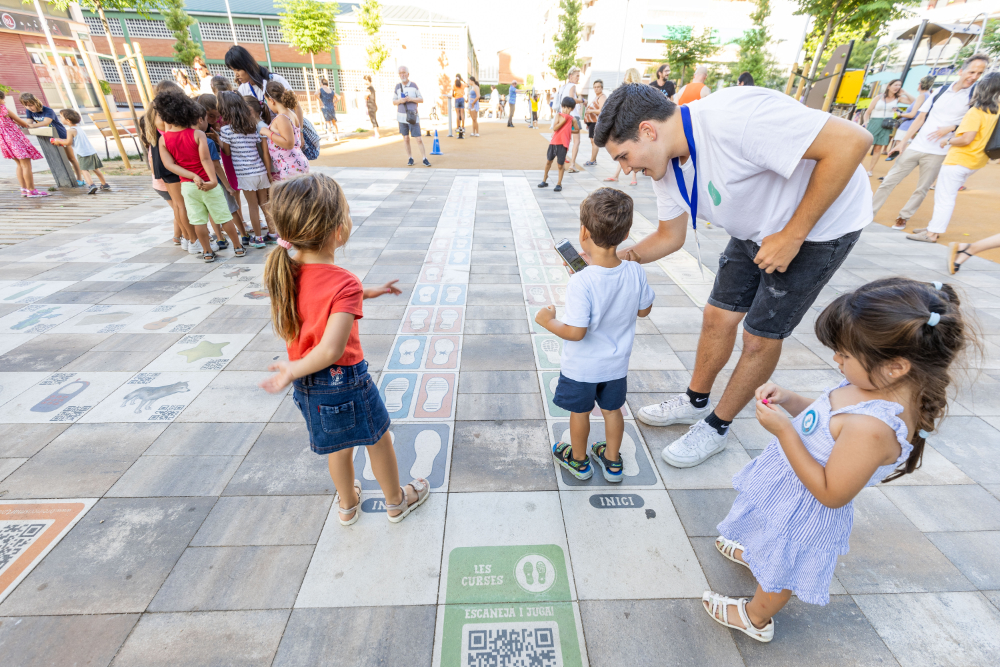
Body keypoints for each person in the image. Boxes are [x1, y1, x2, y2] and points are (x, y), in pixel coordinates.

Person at [594, 83, 873, 468]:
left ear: (647, 130)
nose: (625, 169)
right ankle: (695, 401)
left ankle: (717, 426)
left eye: (623, 156)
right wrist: (611, 258)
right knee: (717, 316)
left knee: (759, 337)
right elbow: (668, 237)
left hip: (817, 229)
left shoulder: (736, 120)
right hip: (755, 228)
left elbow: (853, 141)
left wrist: (793, 234)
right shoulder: (665, 167)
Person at [704, 278, 970, 642]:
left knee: (783, 566)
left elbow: (831, 493)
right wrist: (789, 399)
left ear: (895, 367)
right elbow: (825, 421)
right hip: (792, 490)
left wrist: (785, 433)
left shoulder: (873, 428)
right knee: (770, 536)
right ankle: (758, 554)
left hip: (807, 509)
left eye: (845, 354)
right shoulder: (870, 385)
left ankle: (754, 617)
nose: (836, 359)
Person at [259, 173, 428, 525]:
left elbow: (322, 299)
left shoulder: (285, 271)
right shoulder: (343, 281)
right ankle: (396, 501)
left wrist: (369, 292)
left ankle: (348, 504)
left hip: (308, 387)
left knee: (338, 446)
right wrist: (292, 368)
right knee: (377, 440)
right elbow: (332, 348)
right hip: (346, 382)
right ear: (338, 230)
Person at [537, 188, 655, 482]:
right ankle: (613, 461)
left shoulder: (582, 281)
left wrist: (547, 321)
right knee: (613, 411)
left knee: (581, 414)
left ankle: (579, 461)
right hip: (616, 366)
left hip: (582, 368)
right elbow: (643, 311)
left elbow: (576, 332)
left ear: (583, 233)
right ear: (626, 232)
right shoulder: (635, 271)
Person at [872, 54, 988, 231]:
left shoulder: (976, 97)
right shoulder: (940, 90)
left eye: (979, 73)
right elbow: (920, 118)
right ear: (961, 71)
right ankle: (869, 213)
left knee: (922, 188)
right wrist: (903, 142)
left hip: (940, 151)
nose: (974, 76)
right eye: (972, 71)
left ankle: (903, 217)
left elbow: (974, 124)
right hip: (917, 145)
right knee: (889, 180)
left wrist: (952, 127)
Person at [906, 72, 1000, 244]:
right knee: (946, 196)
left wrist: (947, 140)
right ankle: (933, 227)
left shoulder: (976, 112)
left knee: (944, 197)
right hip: (977, 161)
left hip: (960, 159)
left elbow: (966, 139)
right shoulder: (996, 112)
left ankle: (932, 233)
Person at [155, 91, 246, 262]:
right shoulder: (198, 135)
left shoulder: (163, 140)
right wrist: (211, 180)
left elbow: (169, 165)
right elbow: (206, 159)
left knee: (198, 221)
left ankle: (207, 252)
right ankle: (238, 247)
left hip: (188, 186)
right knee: (224, 216)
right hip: (208, 183)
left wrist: (192, 176)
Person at [219, 91, 273, 248]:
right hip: (260, 171)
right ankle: (273, 233)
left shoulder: (226, 130)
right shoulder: (252, 126)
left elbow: (227, 152)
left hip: (245, 174)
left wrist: (218, 140)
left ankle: (258, 238)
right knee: (264, 203)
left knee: (252, 206)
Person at [144, 81, 191, 247]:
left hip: (161, 159)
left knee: (178, 205)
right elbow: (173, 136)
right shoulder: (165, 115)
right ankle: (192, 239)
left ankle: (187, 238)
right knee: (182, 204)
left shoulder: (152, 111)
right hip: (172, 159)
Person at [199, 93, 245, 237]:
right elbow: (216, 165)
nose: (213, 120)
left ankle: (220, 238)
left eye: (216, 116)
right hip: (215, 179)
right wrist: (227, 185)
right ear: (201, 116)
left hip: (202, 179)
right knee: (229, 208)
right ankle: (241, 238)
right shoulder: (207, 140)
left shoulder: (206, 133)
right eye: (210, 116)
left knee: (213, 209)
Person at [225, 45, 302, 126]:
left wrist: (300, 132)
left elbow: (296, 106)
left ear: (248, 66)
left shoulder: (275, 80)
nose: (236, 74)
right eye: (233, 70)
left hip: (290, 131)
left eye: (238, 69)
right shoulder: (243, 89)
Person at [19, 92, 78, 184]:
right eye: (26, 106)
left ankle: (79, 179)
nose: (29, 108)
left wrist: (31, 125)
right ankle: (65, 180)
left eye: (31, 105)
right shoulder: (29, 111)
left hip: (61, 135)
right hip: (49, 137)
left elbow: (46, 122)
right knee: (57, 159)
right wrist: (28, 125)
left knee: (71, 158)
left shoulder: (48, 110)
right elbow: (29, 122)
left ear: (36, 102)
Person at [0, 89, 46, 197]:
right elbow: (23, 123)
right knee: (26, 165)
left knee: (19, 164)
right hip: (14, 138)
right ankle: (31, 190)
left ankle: (24, 190)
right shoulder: (4, 109)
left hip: (5, 141)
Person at [51, 109, 108, 195]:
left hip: (82, 153)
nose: (60, 118)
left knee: (84, 170)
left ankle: (91, 185)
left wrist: (58, 141)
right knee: (95, 169)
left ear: (68, 120)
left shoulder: (70, 130)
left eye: (61, 117)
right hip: (91, 151)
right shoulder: (78, 128)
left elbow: (68, 143)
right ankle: (104, 184)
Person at [262, 81, 310, 183]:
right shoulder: (290, 113)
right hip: (295, 163)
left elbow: (288, 143)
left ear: (271, 100)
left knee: (292, 197)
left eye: (266, 101)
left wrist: (267, 133)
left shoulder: (282, 117)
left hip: (291, 167)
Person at [862, 79, 911, 176]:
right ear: (889, 86)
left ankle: (870, 170)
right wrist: (866, 122)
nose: (897, 87)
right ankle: (857, 167)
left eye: (899, 85)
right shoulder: (879, 97)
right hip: (874, 122)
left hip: (886, 124)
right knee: (865, 146)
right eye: (895, 85)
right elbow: (868, 112)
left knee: (878, 148)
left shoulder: (898, 99)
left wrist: (905, 93)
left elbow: (913, 102)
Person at [604, 69, 642, 185]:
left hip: (629, 123)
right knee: (628, 149)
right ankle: (622, 176)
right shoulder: (641, 90)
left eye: (626, 74)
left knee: (629, 149)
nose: (624, 76)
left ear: (629, 76)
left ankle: (632, 177)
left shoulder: (626, 90)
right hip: (635, 122)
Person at [887, 76, 934, 159]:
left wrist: (900, 114)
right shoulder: (929, 95)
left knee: (900, 152)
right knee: (905, 151)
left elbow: (912, 114)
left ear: (920, 84)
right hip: (917, 126)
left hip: (907, 126)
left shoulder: (922, 96)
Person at [394, 65, 430, 167]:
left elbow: (421, 99)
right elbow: (393, 101)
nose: (402, 75)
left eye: (404, 72)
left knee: (418, 138)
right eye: (400, 73)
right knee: (405, 138)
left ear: (408, 74)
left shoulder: (414, 85)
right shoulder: (397, 87)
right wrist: (400, 101)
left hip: (413, 116)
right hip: (401, 117)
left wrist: (411, 99)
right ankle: (410, 158)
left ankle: (424, 158)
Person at [537, 97, 575, 192]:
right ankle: (544, 180)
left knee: (560, 165)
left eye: (569, 108)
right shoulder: (558, 115)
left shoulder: (572, 119)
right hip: (554, 143)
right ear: (562, 107)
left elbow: (577, 129)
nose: (566, 110)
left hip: (563, 144)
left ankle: (559, 183)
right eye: (564, 107)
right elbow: (555, 128)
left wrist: (569, 130)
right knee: (548, 162)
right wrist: (563, 121)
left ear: (572, 109)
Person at [556, 68, 584, 172]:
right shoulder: (572, 86)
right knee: (576, 141)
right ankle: (572, 164)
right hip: (573, 115)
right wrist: (582, 100)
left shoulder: (563, 87)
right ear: (570, 76)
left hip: (563, 115)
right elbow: (572, 99)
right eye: (577, 75)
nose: (578, 78)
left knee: (565, 139)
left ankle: (562, 159)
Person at [584, 79, 607, 166]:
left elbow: (601, 110)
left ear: (602, 88)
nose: (596, 89)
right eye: (595, 87)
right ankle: (594, 159)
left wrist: (590, 111)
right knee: (592, 141)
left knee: (594, 142)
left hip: (596, 122)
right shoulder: (596, 97)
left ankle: (592, 160)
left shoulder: (602, 97)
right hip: (592, 122)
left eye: (598, 87)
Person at [363, 74, 379, 139]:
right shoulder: (372, 87)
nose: (363, 82)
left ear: (367, 80)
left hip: (371, 106)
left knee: (373, 120)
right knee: (374, 119)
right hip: (373, 105)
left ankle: (377, 134)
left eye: (364, 80)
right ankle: (376, 133)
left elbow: (365, 96)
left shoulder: (369, 88)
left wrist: (365, 96)